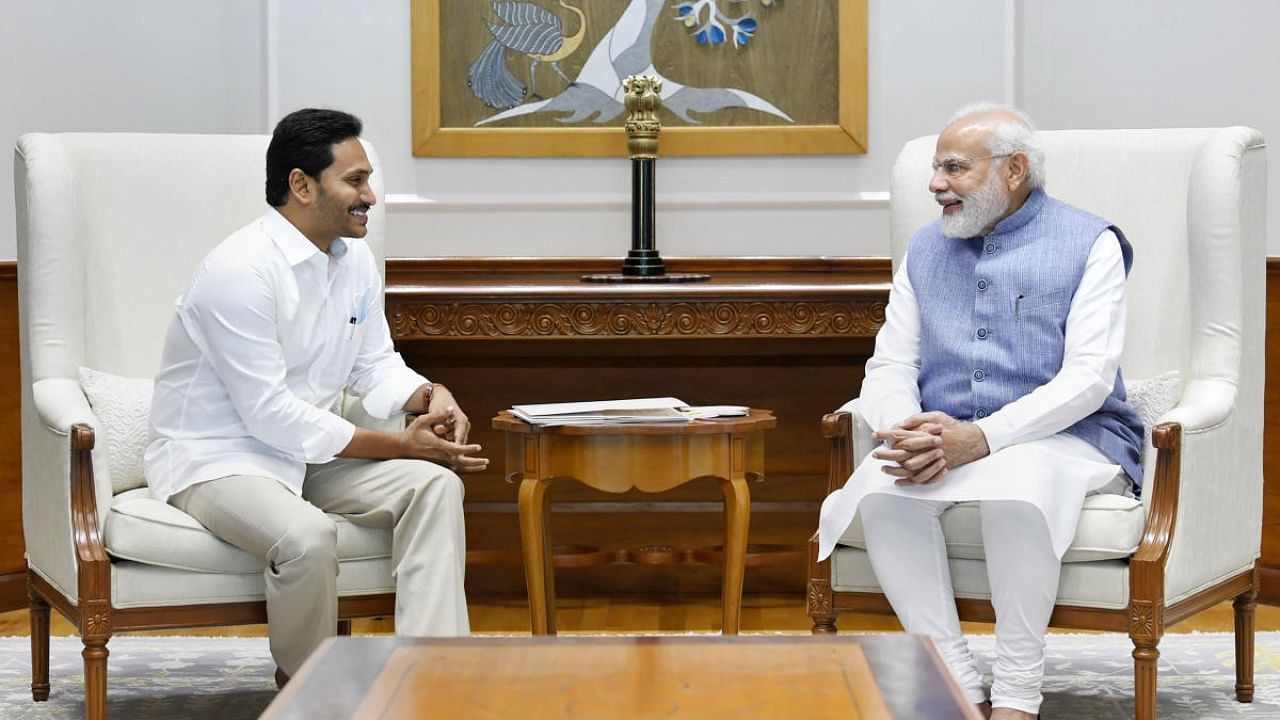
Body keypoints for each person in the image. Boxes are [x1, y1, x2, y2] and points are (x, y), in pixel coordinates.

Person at [816, 103, 1143, 720]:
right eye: (936, 168)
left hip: (1071, 436)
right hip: (947, 435)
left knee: (1016, 490)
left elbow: (1089, 378)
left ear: (1014, 169)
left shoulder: (1091, 242)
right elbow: (889, 365)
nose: (935, 183)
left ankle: (1019, 697)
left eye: (954, 168)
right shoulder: (925, 249)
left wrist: (983, 438)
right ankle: (955, 684)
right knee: (882, 492)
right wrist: (905, 429)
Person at [143, 108, 488, 686]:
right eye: (354, 181)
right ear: (301, 185)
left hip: (309, 455)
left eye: (368, 179)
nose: (370, 196)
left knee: (435, 484)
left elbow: (374, 365)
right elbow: (268, 414)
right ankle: (311, 691)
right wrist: (396, 444)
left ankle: (435, 680)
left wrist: (430, 396)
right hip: (217, 460)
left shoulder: (355, 261)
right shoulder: (239, 270)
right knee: (305, 537)